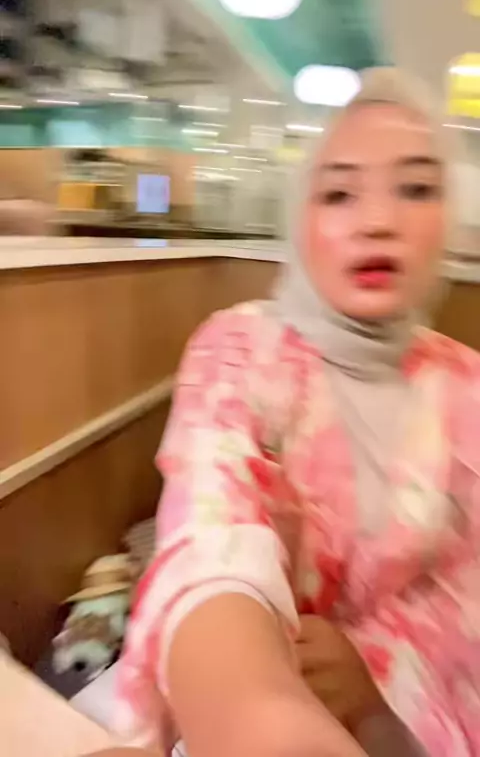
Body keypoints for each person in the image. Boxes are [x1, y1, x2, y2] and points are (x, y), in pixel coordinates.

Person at [115, 69, 480, 757]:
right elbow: (211, 541)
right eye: (338, 193)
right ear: (299, 221)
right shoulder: (241, 351)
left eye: (416, 189)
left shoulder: (467, 389)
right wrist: (260, 710)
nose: (378, 222)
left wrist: (376, 683)